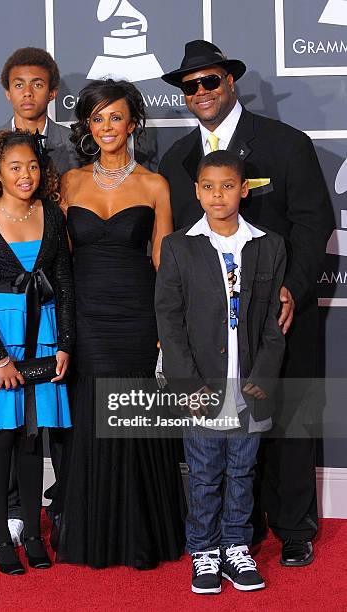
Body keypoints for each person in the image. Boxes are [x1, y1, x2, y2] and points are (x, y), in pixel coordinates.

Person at [159, 39, 334, 566]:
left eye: (210, 81)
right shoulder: (177, 161)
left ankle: (294, 527)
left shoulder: (285, 143)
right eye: (191, 87)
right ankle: (238, 534)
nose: (201, 93)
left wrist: (292, 288)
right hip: (214, 321)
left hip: (280, 310)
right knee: (226, 428)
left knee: (288, 417)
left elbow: (313, 221)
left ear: (230, 82)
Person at [54, 78, 186, 569]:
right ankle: (92, 536)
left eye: (115, 116)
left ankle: (140, 538)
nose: (107, 126)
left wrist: (161, 327)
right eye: (97, 118)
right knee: (90, 416)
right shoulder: (70, 182)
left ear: (133, 122)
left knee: (132, 416)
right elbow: (60, 261)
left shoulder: (155, 185)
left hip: (136, 316)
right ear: (87, 126)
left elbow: (164, 263)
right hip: (86, 317)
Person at [0, 47, 78, 543]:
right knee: (4, 428)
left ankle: (41, 520)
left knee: (38, 429)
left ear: (53, 91)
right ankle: (4, 523)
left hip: (49, 312)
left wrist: (66, 333)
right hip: (0, 309)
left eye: (38, 83)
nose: (29, 93)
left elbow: (64, 256)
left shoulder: (73, 150)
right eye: (19, 84)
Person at [155, 150, 286, 594]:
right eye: (208, 186)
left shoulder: (268, 244)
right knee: (205, 471)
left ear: (243, 190)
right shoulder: (178, 246)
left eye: (227, 186)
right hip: (202, 387)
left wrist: (264, 377)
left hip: (250, 383)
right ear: (196, 191)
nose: (217, 195)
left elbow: (272, 323)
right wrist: (189, 385)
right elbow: (169, 322)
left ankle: (236, 546)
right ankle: (204, 551)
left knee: (243, 470)